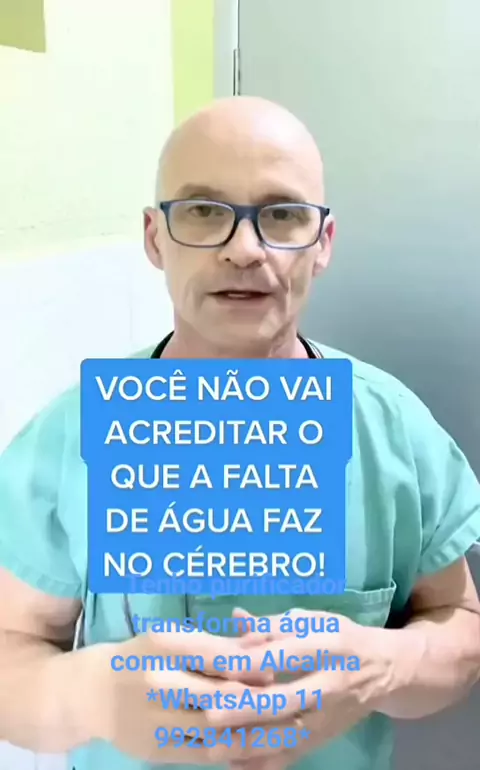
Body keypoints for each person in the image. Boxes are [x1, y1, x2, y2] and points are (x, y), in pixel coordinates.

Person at [0, 95, 479, 770]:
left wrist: (383, 665)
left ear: (323, 243)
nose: (245, 249)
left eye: (282, 214)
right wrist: (91, 697)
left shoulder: (393, 432)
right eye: (203, 211)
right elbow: (13, 647)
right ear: (154, 238)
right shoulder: (70, 437)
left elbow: (461, 628)